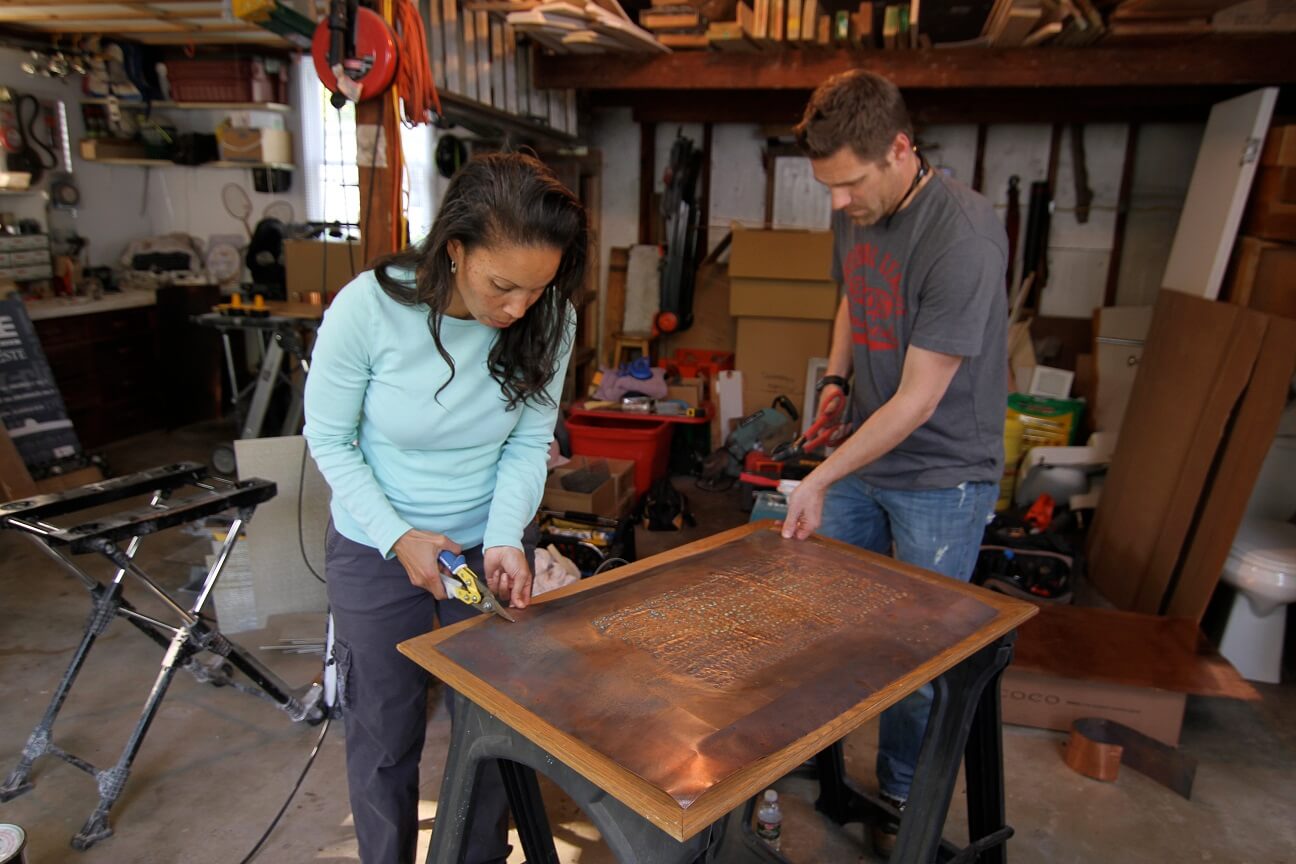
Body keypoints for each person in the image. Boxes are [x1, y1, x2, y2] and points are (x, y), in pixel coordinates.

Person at [303, 152, 587, 864]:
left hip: (487, 537)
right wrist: (398, 537)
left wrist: (503, 541)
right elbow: (331, 441)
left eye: (536, 288)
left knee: (490, 726)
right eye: (501, 285)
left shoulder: (551, 317)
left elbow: (528, 445)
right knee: (383, 729)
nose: (517, 308)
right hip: (376, 541)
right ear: (454, 250)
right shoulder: (368, 309)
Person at [782, 70, 1008, 856]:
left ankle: (905, 794)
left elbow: (916, 402)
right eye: (829, 188)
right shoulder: (860, 207)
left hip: (943, 476)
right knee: (806, 597)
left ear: (901, 150)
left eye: (849, 184)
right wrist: (839, 379)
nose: (840, 204)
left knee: (913, 652)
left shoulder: (963, 236)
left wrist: (818, 476)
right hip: (867, 455)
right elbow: (853, 291)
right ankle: (813, 760)